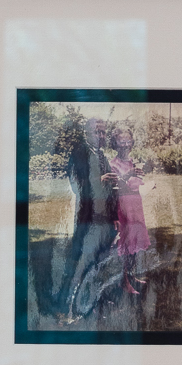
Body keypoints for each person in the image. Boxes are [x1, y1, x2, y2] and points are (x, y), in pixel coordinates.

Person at [50, 118, 116, 324]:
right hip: (88, 220)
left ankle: (88, 303)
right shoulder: (79, 152)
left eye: (103, 132)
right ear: (87, 133)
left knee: (97, 263)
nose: (101, 136)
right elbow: (75, 184)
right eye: (97, 131)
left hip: (105, 220)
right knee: (79, 265)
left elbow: (110, 190)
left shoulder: (102, 155)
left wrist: (114, 215)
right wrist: (100, 180)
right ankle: (64, 309)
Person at [105, 123, 157, 300]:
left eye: (128, 141)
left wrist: (145, 182)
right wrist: (129, 175)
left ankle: (131, 275)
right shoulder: (112, 164)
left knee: (134, 242)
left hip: (135, 205)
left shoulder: (132, 161)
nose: (126, 145)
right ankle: (123, 280)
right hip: (123, 206)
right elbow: (115, 187)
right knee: (125, 244)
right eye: (122, 141)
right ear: (115, 143)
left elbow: (134, 184)